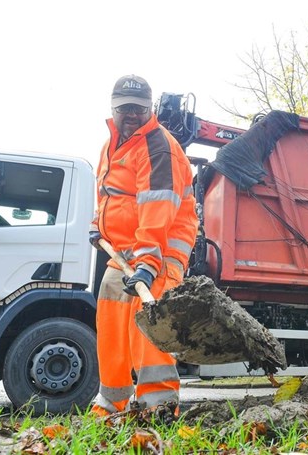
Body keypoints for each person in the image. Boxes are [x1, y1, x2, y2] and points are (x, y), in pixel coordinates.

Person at [89, 74, 199, 417]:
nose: (132, 114)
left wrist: (148, 265)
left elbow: (158, 208)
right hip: (122, 254)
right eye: (125, 108)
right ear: (113, 109)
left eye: (138, 108)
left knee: (149, 331)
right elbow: (111, 195)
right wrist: (98, 226)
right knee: (111, 328)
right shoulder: (111, 145)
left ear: (149, 108)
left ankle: (159, 407)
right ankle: (111, 404)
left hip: (160, 253)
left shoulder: (157, 145)